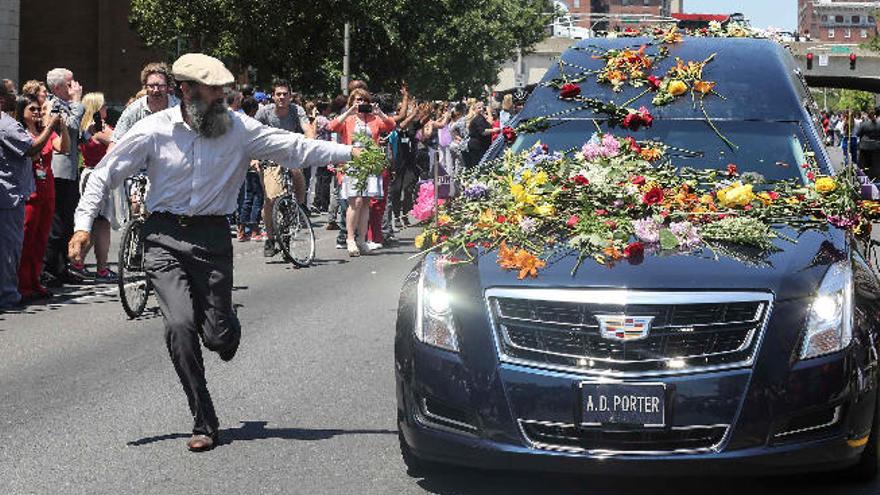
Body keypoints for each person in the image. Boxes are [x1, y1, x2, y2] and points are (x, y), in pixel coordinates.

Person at [69, 53, 359, 452]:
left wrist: (351, 154)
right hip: (163, 237)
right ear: (185, 91)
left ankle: (226, 328)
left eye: (224, 89)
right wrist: (83, 227)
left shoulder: (239, 128)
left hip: (213, 240)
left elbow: (294, 147)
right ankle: (203, 419)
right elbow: (105, 174)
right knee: (179, 327)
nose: (223, 96)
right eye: (213, 90)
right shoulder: (154, 130)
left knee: (218, 337)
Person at [1, 84, 60, 309]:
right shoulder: (6, 125)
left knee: (26, 244)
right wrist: (51, 126)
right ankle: (9, 295)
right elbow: (32, 148)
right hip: (10, 195)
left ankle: (26, 285)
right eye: (8, 94)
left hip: (15, 192)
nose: (12, 98)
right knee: (11, 248)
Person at [327, 88, 396, 256]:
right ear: (352, 102)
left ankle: (362, 240)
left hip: (370, 163)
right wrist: (348, 111)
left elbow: (391, 126)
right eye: (357, 100)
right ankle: (350, 239)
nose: (361, 103)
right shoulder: (349, 119)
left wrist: (379, 113)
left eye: (364, 100)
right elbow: (332, 126)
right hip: (352, 162)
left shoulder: (374, 119)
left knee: (365, 202)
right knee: (355, 201)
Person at [15, 94, 69, 301]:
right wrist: (49, 128)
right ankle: (22, 284)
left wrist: (61, 127)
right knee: (26, 240)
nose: (38, 113)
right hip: (31, 193)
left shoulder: (43, 132)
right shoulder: (22, 134)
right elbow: (35, 150)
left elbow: (63, 148)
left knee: (41, 241)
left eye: (39, 110)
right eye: (33, 110)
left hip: (48, 192)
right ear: (22, 113)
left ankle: (35, 281)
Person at [255, 80, 313, 258]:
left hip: (290, 155)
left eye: (285, 94)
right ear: (273, 96)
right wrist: (254, 158)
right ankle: (271, 239)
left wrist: (310, 142)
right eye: (278, 94)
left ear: (290, 95)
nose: (281, 97)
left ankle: (300, 207)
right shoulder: (264, 112)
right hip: (270, 158)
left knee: (297, 173)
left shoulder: (297, 110)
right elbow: (253, 132)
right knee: (270, 200)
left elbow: (307, 129)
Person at [42, 68, 85, 287]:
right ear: (58, 87)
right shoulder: (52, 104)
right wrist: (78, 103)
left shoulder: (67, 106)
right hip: (58, 171)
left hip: (70, 171)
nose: (75, 87)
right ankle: (49, 269)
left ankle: (61, 268)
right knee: (56, 224)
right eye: (70, 84)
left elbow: (78, 132)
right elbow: (70, 124)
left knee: (67, 221)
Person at [74, 92, 116, 281]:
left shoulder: (87, 127)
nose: (107, 108)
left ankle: (79, 263)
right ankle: (100, 268)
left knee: (93, 223)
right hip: (97, 175)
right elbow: (120, 140)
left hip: (91, 174)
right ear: (97, 108)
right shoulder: (99, 129)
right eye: (104, 104)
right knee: (101, 225)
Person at [111, 62, 180, 147]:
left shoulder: (179, 108)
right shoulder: (133, 110)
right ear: (145, 87)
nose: (155, 90)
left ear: (168, 86)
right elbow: (116, 142)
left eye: (160, 86)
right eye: (151, 86)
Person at [466, 100, 493, 168]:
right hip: (478, 146)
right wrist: (489, 113)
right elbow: (484, 130)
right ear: (474, 109)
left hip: (478, 145)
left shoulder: (479, 118)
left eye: (482, 108)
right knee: (479, 166)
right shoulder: (478, 119)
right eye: (479, 108)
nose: (482, 109)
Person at [857, 108, 880, 181]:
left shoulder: (864, 124)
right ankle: (875, 179)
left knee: (864, 164)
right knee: (875, 164)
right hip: (876, 147)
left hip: (864, 147)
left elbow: (858, 134)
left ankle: (864, 179)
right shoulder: (879, 124)